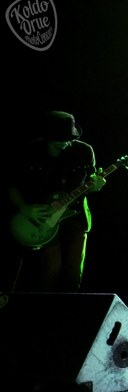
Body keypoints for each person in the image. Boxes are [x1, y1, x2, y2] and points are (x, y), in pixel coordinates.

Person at [7, 111, 106, 292]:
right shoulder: (31, 151)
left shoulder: (84, 151)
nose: (63, 142)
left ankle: (69, 317)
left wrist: (96, 185)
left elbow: (89, 183)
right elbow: (13, 186)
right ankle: (43, 317)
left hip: (75, 217)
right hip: (42, 219)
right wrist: (25, 209)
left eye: (67, 137)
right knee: (51, 269)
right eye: (58, 138)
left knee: (73, 273)